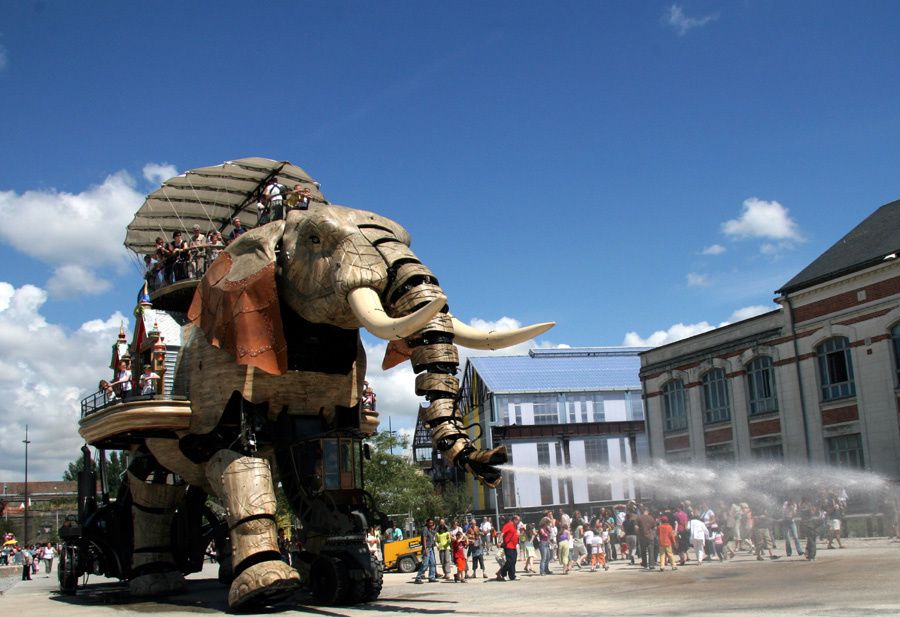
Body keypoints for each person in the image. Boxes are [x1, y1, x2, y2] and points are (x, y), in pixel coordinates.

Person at [497, 514, 520, 581]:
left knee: (513, 561)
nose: (519, 521)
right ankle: (503, 573)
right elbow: (502, 533)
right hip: (508, 546)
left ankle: (512, 576)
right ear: (514, 519)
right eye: (518, 520)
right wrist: (499, 541)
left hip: (513, 546)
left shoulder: (514, 526)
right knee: (510, 561)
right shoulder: (508, 525)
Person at [414, 518, 438, 583]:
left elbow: (435, 534)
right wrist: (425, 548)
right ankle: (418, 578)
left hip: (431, 548)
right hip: (426, 548)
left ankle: (431, 577)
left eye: (432, 523)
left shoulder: (431, 530)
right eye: (430, 522)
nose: (431, 524)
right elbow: (424, 539)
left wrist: (434, 528)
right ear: (427, 523)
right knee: (425, 564)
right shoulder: (425, 529)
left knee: (433, 563)